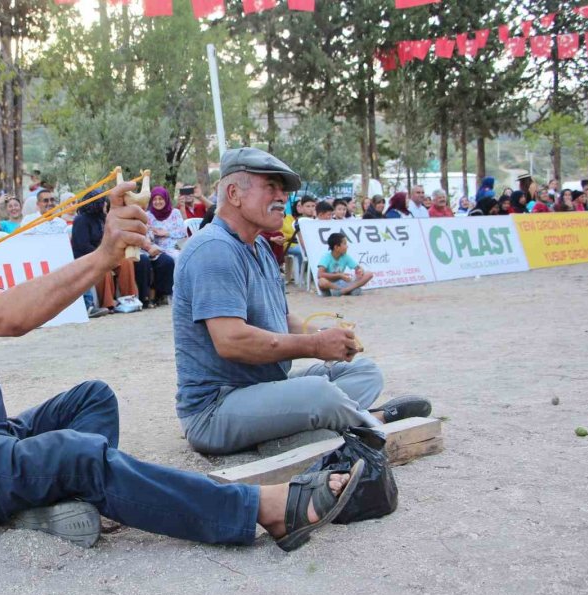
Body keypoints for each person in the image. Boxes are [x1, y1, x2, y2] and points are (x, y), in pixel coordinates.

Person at [0, 162, 367, 553]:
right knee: (76, 453)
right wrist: (103, 256)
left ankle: (65, 496)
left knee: (92, 400)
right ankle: (263, 509)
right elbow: (10, 317)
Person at [172, 147, 430, 457]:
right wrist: (315, 347)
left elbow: (283, 319)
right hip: (216, 410)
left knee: (365, 372)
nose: (282, 197)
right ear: (233, 193)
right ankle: (372, 421)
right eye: (271, 187)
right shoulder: (214, 249)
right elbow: (231, 341)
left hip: (264, 388)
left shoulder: (260, 248)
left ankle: (299, 430)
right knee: (319, 393)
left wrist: (323, 334)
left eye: (283, 189)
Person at [70, 189, 138, 313]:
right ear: (96, 203)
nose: (106, 205)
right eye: (104, 202)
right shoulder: (81, 220)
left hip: (106, 254)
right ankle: (108, 304)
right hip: (88, 256)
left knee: (126, 262)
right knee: (103, 267)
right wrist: (104, 254)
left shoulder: (103, 219)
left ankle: (130, 299)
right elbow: (83, 246)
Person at [317, 233, 373, 297]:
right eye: (344, 244)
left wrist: (360, 270)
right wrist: (339, 275)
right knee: (322, 281)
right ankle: (348, 290)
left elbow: (357, 267)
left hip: (343, 283)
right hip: (331, 285)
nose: (347, 246)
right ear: (336, 247)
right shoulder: (326, 257)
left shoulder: (345, 256)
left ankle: (344, 291)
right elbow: (320, 274)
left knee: (369, 274)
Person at [146, 186, 186, 259]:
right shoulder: (148, 215)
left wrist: (167, 233)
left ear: (166, 199)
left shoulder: (175, 213)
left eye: (160, 199)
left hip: (176, 248)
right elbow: (147, 237)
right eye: (154, 199)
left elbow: (182, 233)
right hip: (158, 251)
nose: (157, 202)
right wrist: (152, 231)